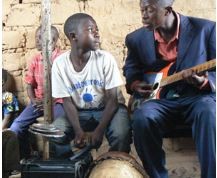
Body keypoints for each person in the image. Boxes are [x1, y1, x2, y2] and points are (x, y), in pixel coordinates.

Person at [123, 0, 216, 178]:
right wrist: (135, 83)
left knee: (209, 111)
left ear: (167, 11)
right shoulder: (135, 38)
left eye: (149, 10)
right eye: (142, 10)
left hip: (197, 97)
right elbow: (131, 69)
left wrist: (203, 81)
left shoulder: (206, 30)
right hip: (160, 100)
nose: (143, 15)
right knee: (142, 117)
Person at [51, 13, 131, 153]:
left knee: (120, 134)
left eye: (97, 30)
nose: (97, 34)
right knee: (56, 133)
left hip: (110, 109)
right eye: (90, 30)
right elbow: (67, 102)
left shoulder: (105, 59)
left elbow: (112, 100)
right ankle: (72, 167)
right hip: (80, 112)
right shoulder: (59, 64)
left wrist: (99, 131)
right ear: (73, 36)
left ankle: (116, 165)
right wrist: (78, 131)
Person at [10, 25, 65, 158]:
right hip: (39, 103)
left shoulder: (62, 59)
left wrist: (50, 101)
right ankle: (26, 157)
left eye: (40, 38)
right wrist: (34, 101)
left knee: (60, 128)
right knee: (16, 127)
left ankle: (60, 160)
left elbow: (67, 87)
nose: (37, 41)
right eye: (36, 37)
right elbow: (29, 85)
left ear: (53, 41)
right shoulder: (35, 59)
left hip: (58, 102)